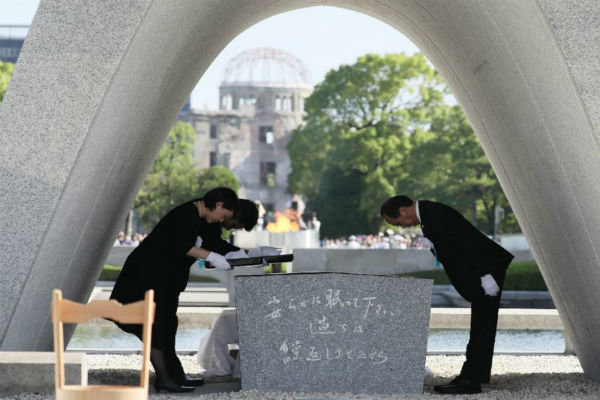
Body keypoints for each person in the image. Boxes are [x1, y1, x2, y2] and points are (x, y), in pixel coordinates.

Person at [380, 195, 514, 395]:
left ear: (403, 210)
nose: (402, 227)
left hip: (485, 270)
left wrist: (486, 275)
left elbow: (467, 244)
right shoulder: (427, 214)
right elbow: (451, 246)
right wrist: (435, 247)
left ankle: (470, 380)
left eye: (398, 223)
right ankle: (475, 374)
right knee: (482, 323)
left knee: (482, 325)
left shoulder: (434, 214)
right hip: (482, 270)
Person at [110, 187, 238, 393]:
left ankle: (175, 375)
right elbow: (183, 245)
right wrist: (212, 257)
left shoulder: (201, 217)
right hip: (144, 277)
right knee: (153, 326)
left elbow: (208, 242)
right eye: (223, 215)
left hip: (162, 280)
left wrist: (239, 254)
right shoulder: (186, 214)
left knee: (168, 324)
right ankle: (165, 378)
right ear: (219, 205)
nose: (221, 220)